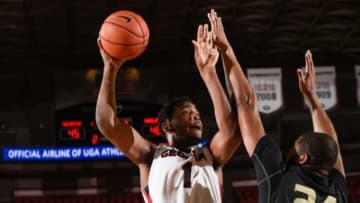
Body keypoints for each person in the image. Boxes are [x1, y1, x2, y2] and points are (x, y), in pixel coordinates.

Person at [207, 9, 348, 203]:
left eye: (295, 148)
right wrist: (312, 100)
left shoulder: (280, 179)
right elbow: (332, 147)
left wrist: (225, 48)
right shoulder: (337, 191)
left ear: (303, 159)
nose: (290, 149)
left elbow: (246, 104)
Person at [95, 20, 240, 202]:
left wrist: (209, 72)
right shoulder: (150, 156)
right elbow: (106, 123)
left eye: (196, 113)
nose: (196, 116)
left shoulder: (211, 155)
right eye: (187, 112)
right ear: (167, 125)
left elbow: (232, 132)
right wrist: (110, 69)